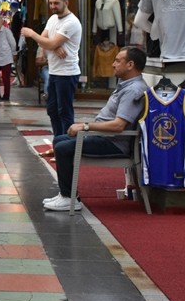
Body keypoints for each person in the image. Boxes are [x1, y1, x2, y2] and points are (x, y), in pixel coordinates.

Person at [44, 46, 149, 211]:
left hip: (113, 143)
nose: (113, 64)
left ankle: (69, 198)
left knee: (63, 148)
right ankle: (68, 194)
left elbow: (118, 125)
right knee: (59, 140)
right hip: (104, 137)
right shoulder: (126, 85)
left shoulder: (133, 90)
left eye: (117, 61)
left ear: (130, 65)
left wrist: (85, 127)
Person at [22, 0, 83, 137]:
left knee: (64, 112)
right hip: (54, 71)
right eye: (50, 3)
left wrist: (33, 35)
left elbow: (45, 41)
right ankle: (58, 143)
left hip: (67, 73)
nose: (53, 6)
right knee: (52, 109)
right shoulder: (53, 19)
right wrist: (53, 45)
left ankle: (66, 146)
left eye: (56, 3)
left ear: (66, 3)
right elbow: (44, 39)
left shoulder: (71, 22)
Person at [0, 13, 18, 103]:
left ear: (1, 22)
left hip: (6, 57)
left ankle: (6, 95)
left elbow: (13, 43)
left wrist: (14, 53)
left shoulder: (7, 31)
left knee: (5, 78)